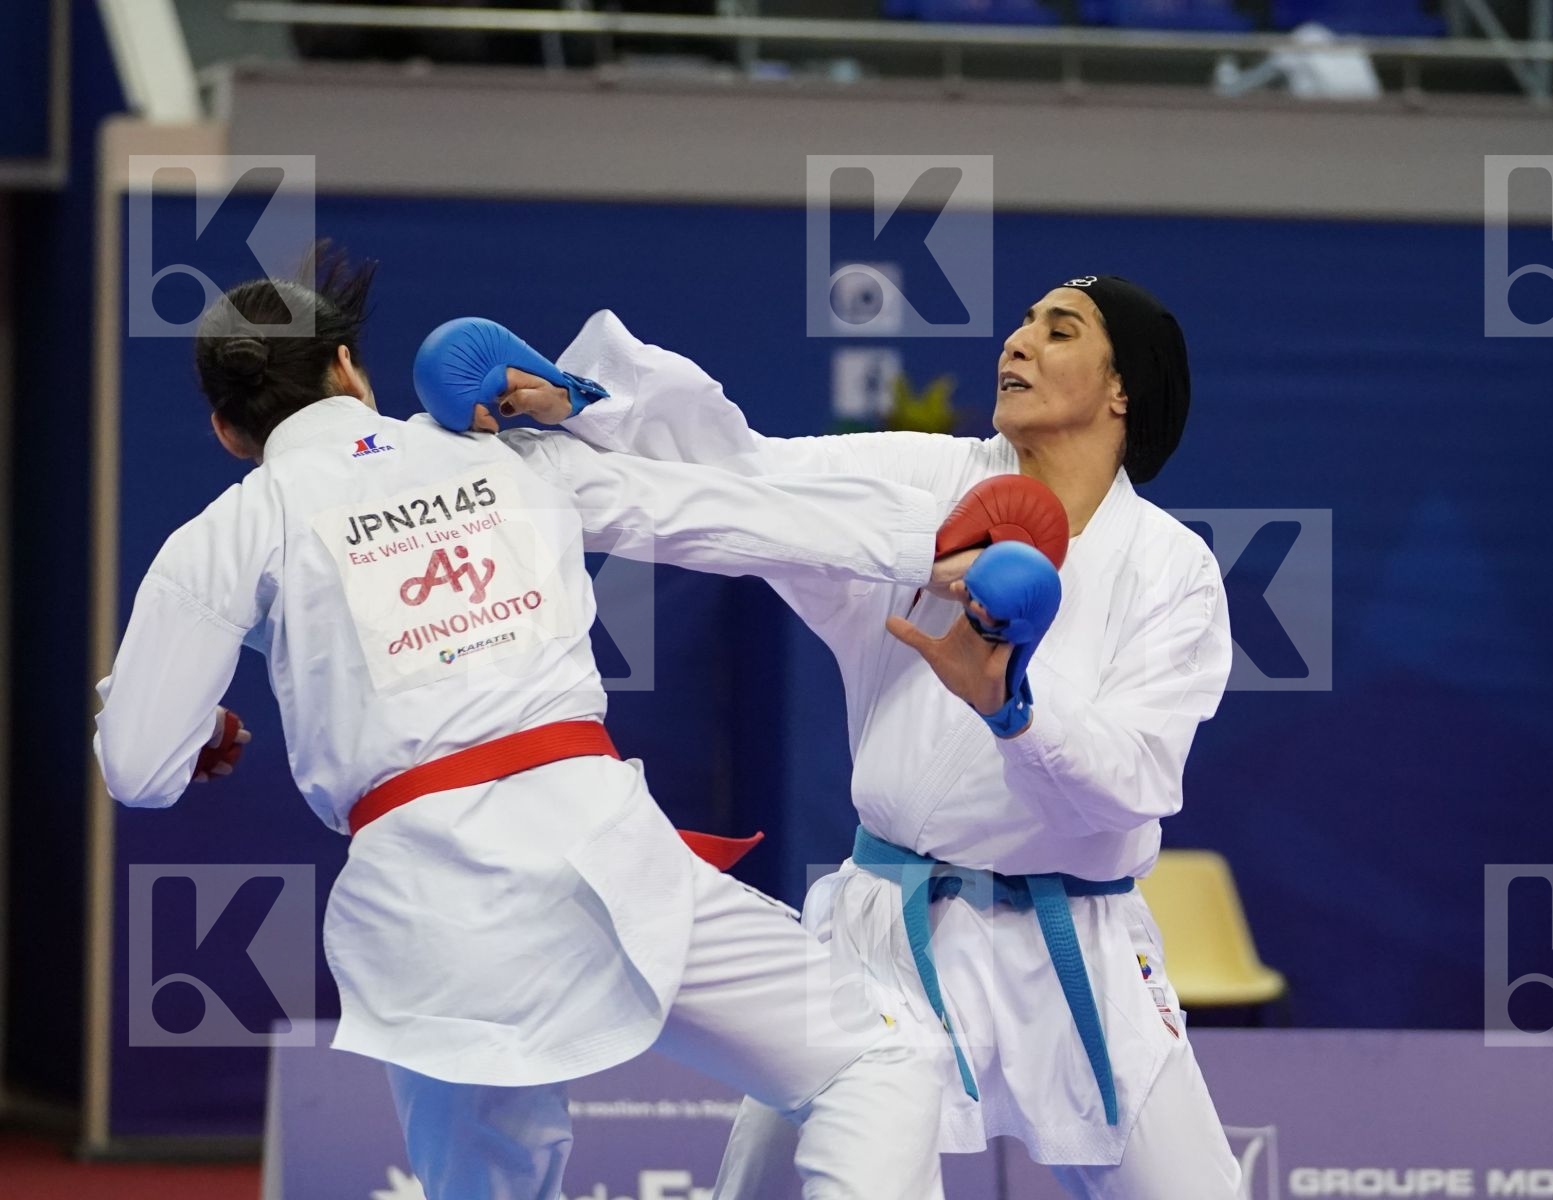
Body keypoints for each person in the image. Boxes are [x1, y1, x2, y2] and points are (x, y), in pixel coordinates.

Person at [91, 249, 957, 1200]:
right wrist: (939, 544)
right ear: (347, 368)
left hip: (428, 919)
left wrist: (182, 728)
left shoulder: (222, 536)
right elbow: (718, 513)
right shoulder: (499, 453)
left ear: (226, 431)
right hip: (600, 861)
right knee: (875, 1061)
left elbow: (139, 767)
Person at [495, 275, 1242, 1199]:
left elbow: (1136, 782)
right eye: (1020, 324)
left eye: (1059, 331)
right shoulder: (927, 482)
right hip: (889, 928)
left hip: (1078, 949)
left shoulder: (1171, 569)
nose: (1017, 342)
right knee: (762, 1192)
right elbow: (749, 482)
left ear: (1123, 387)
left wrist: (1015, 712)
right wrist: (591, 407)